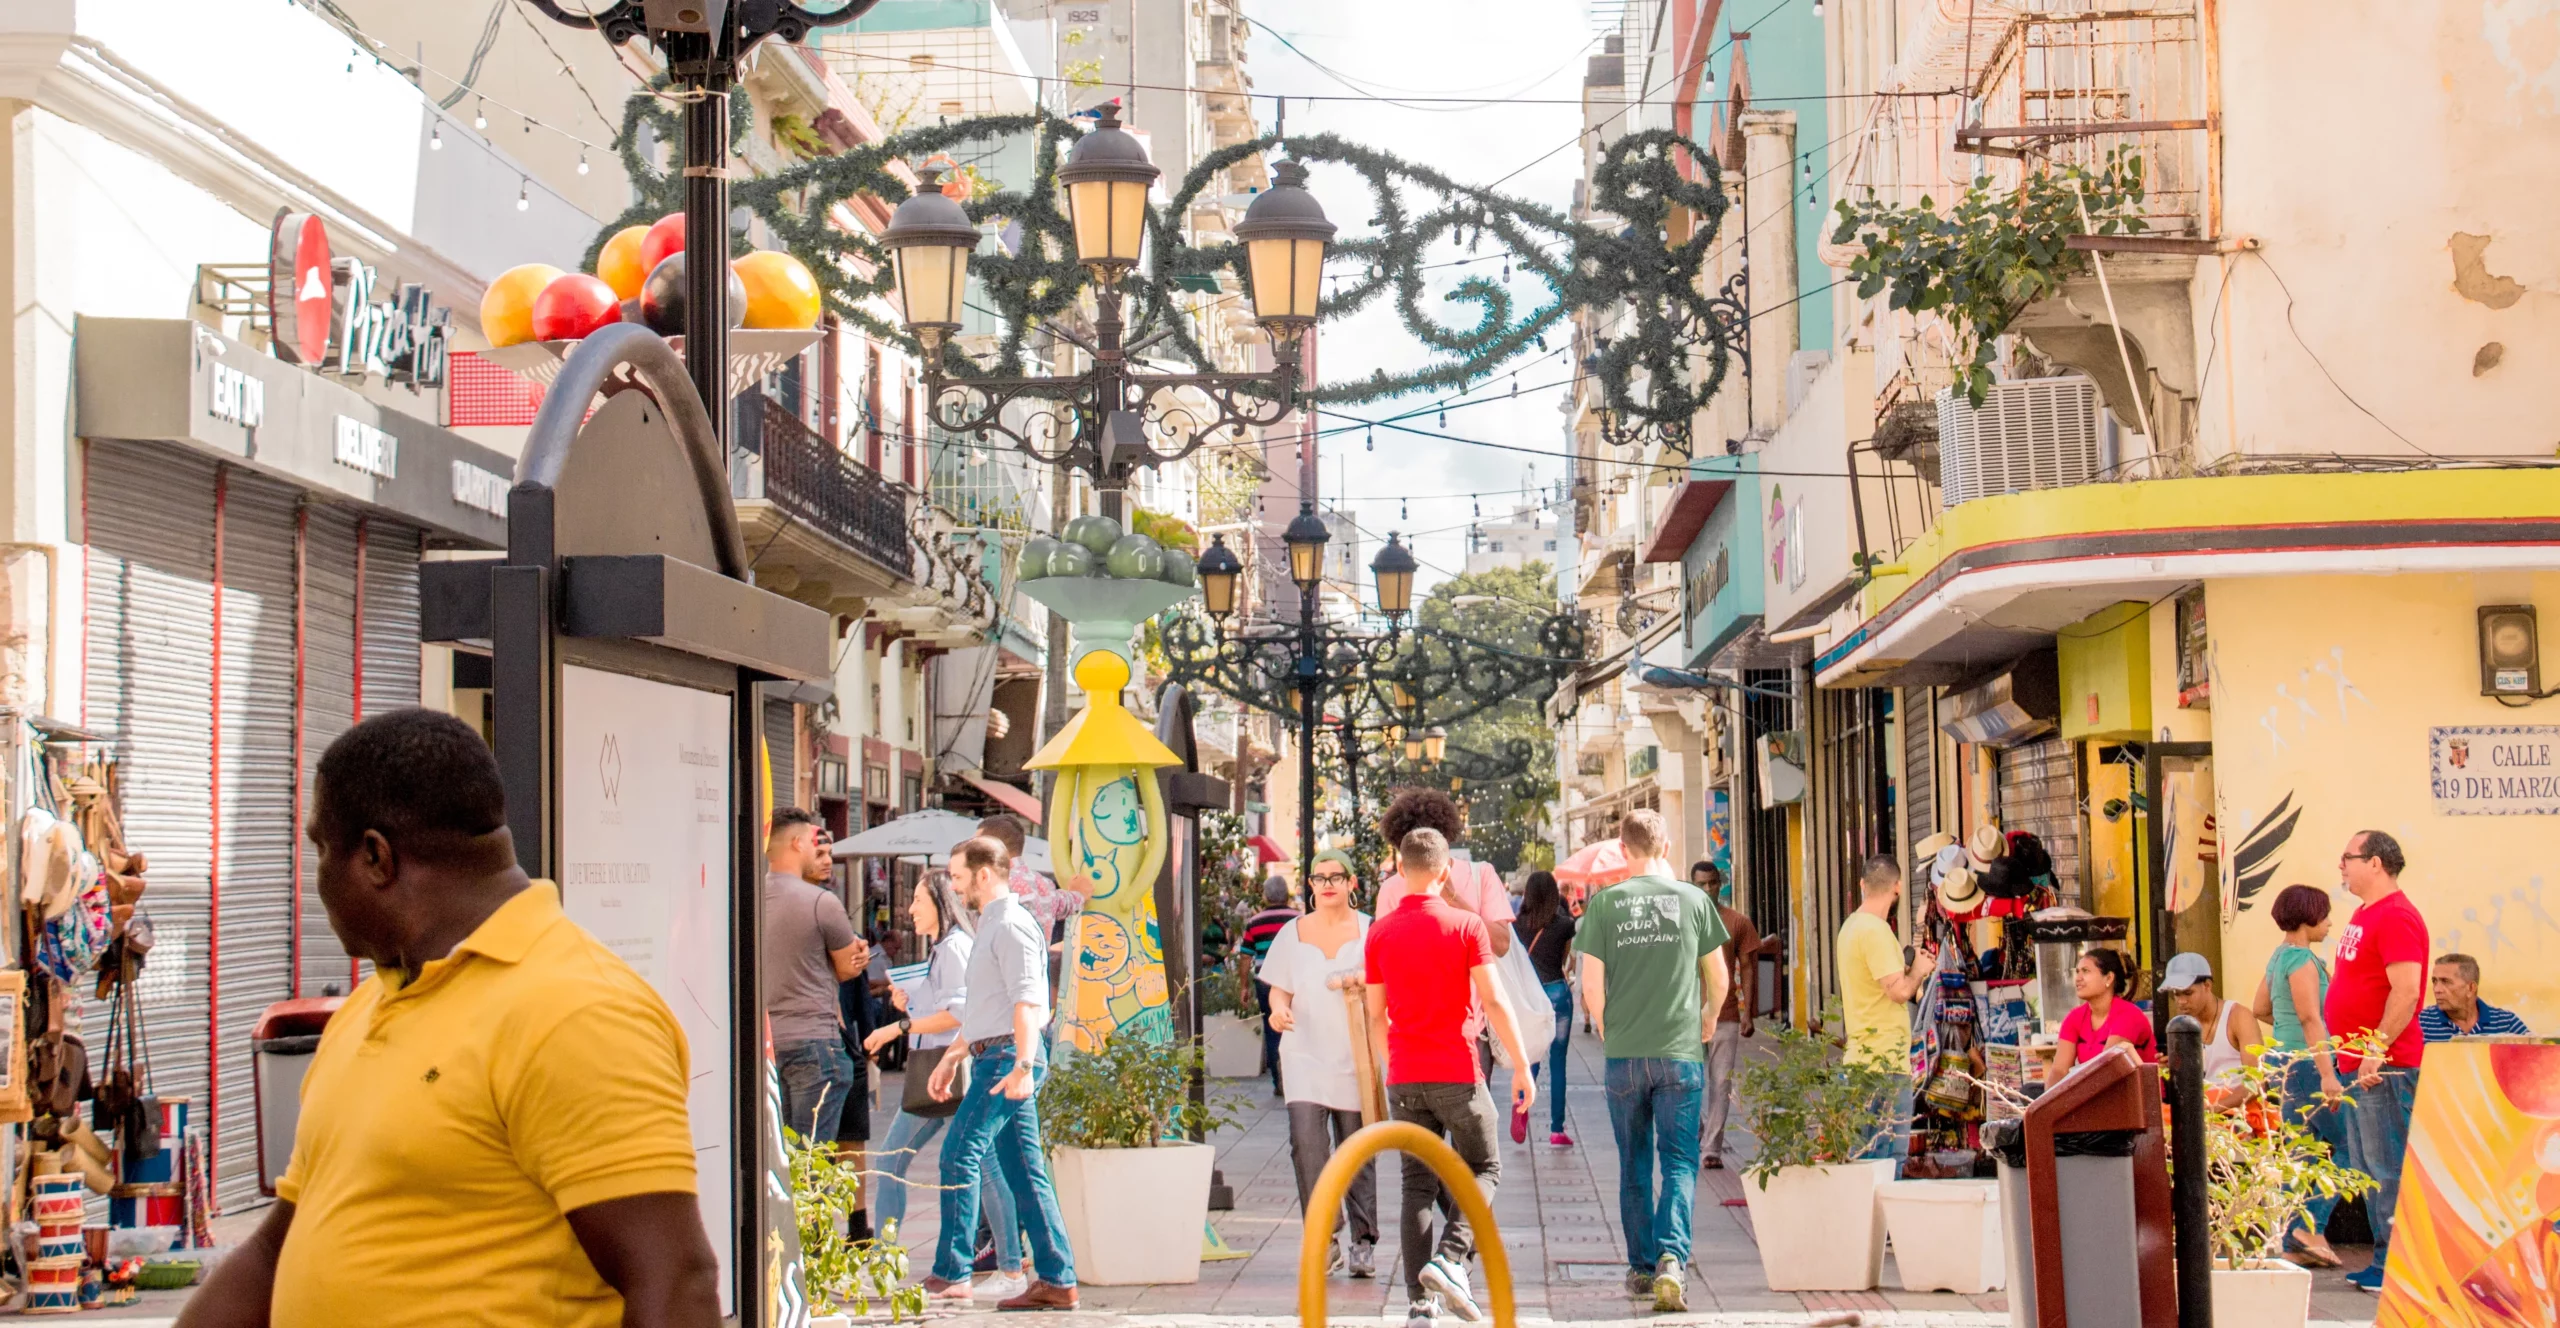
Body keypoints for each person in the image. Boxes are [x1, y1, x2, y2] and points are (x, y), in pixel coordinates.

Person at [176, 708, 718, 1328]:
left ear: (377, 858)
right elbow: (277, 1251)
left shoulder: (575, 1011)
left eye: (322, 849)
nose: (315, 880)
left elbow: (675, 1283)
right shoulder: (370, 1006)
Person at [1365, 828, 1536, 1328]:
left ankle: (1420, 1304)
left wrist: (1390, 1066)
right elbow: (1496, 1000)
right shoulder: (1466, 926)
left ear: (1400, 870)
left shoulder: (1379, 933)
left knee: (1415, 1184)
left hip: (1405, 1074)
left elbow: (1376, 1015)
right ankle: (1451, 1257)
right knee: (1485, 1168)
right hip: (1457, 1069)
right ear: (1445, 873)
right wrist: (1522, 1065)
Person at [1578, 810, 1730, 1312]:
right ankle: (1671, 1260)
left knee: (1634, 1164)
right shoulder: (1694, 900)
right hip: (1679, 1053)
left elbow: (1590, 984)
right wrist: (1707, 1019)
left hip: (1624, 1054)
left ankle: (1641, 1269)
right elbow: (1721, 979)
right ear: (1666, 848)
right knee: (1681, 1160)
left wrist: (1604, 1024)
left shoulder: (1604, 905)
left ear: (1623, 850)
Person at [919, 836, 1079, 1310]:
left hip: (1009, 1058)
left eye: (958, 874)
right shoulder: (992, 923)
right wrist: (953, 1056)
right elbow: (990, 1007)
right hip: (999, 1053)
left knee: (959, 1153)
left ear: (984, 874)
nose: (952, 884)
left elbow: (1028, 1001)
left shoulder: (1009, 924)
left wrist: (1024, 1066)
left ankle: (953, 1272)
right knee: (1025, 1173)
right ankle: (1057, 1278)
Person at [862, 871, 1030, 1298]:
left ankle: (1007, 1268)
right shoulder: (945, 948)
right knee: (976, 1167)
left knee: (897, 1161)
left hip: (946, 1071)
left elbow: (959, 1014)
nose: (910, 909)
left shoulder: (954, 947)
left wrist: (898, 1026)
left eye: (917, 900)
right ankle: (1009, 1268)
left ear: (938, 902)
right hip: (942, 1070)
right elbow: (948, 1006)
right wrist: (910, 1004)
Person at [1259, 849, 1379, 1280]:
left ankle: (1363, 1241)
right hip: (1304, 1056)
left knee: (1356, 1151)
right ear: (1309, 886)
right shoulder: (1292, 934)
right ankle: (1324, 1238)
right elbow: (1279, 989)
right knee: (1307, 1148)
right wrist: (1277, 1011)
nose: (1327, 884)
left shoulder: (1371, 931)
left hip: (1357, 1059)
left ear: (1351, 883)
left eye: (1335, 876)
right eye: (1318, 877)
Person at [2324, 829, 2426, 1294]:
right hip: (2358, 1066)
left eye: (2348, 857)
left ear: (2376, 863)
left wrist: (2375, 1050)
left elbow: (2406, 993)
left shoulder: (2398, 917)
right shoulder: (2366, 913)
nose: (2341, 866)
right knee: (2366, 1170)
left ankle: (2398, 1268)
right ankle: (2383, 1260)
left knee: (2388, 1170)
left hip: (2385, 1069)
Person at [2249, 883, 2347, 1269]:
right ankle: (2311, 1225)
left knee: (2301, 1152)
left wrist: (2285, 1026)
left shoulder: (2279, 957)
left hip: (2282, 1060)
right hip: (2307, 1064)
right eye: (2323, 916)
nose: (2328, 923)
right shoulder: (2304, 960)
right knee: (2352, 1149)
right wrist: (2328, 1073)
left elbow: (2260, 1006)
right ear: (2308, 919)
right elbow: (2311, 1019)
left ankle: (2293, 1240)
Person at [766, 808, 871, 1146]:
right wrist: (858, 957)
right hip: (814, 1040)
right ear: (797, 844)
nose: (821, 855)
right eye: (815, 845)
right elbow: (846, 968)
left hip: (768, 1042)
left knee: (782, 1158)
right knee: (813, 1164)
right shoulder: (822, 903)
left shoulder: (746, 896)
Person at [1836, 855, 1934, 1159]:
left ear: (1863, 885)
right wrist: (1918, 969)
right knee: (1887, 1161)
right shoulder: (1876, 932)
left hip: (1861, 1061)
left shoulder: (1851, 927)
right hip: (1883, 1066)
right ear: (1898, 887)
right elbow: (1898, 992)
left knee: (1862, 1159)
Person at [1694, 863, 1758, 1169]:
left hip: (1726, 1016)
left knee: (1720, 1083)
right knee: (1688, 1082)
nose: (1707, 890)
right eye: (1701, 884)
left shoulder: (1737, 922)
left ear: (1721, 885)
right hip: (1686, 1019)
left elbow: (1747, 967)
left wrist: (1749, 1012)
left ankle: (1711, 1149)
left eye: (1712, 884)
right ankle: (1696, 1130)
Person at [1516, 870, 1577, 1146]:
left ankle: (1521, 1108)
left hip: (1531, 998)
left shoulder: (1516, 926)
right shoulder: (1565, 925)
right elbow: (1563, 960)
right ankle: (1556, 1130)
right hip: (1557, 993)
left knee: (1530, 1059)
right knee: (1559, 1063)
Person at [2157, 952, 2260, 1108]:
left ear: (2207, 985)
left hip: (2239, 1111)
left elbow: (2256, 1083)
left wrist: (2213, 1109)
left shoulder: (2238, 1017)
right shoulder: (2183, 1025)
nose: (2182, 1001)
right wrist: (2170, 1069)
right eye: (2176, 995)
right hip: (2203, 1108)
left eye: (2188, 993)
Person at [2045, 948, 2157, 1083]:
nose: (2078, 978)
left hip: (2136, 1096)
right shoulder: (2075, 1017)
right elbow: (2059, 1070)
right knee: (2031, 1089)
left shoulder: (2128, 1015)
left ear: (2109, 978)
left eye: (2085, 971)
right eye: (2077, 972)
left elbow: (2106, 1068)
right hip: (2097, 1092)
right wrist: (2048, 1102)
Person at [1244, 875, 1304, 1096]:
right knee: (1297, 1026)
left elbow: (1245, 956)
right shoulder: (1299, 919)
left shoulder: (1255, 922)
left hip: (1265, 981)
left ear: (1265, 895)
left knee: (1272, 1028)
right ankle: (1294, 1075)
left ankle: (1279, 1079)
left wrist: (1243, 987)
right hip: (1294, 981)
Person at [2418, 953, 2532, 1041]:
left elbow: (2538, 1061)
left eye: (2446, 982)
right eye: (2434, 981)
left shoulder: (2507, 1023)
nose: (2437, 989)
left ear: (2471, 988)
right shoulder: (2421, 1024)